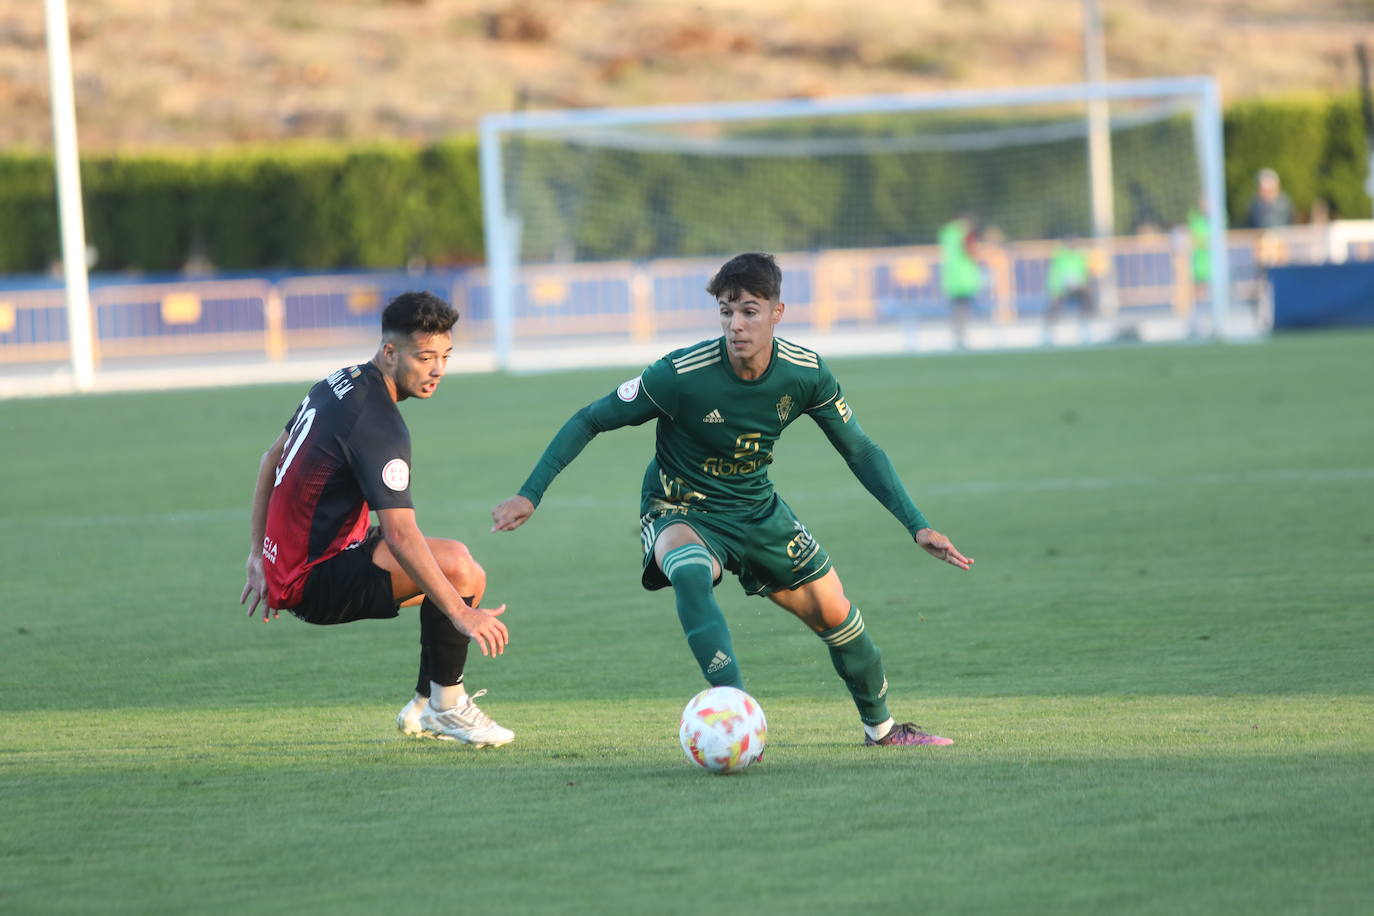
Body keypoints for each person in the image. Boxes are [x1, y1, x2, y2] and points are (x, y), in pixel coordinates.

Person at [492, 253, 973, 747]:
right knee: (690, 569)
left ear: (777, 313)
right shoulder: (679, 373)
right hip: (679, 505)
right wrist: (531, 493)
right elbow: (590, 418)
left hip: (756, 509)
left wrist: (917, 524)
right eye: (726, 311)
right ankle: (737, 716)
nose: (736, 325)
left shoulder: (805, 373)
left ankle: (883, 730)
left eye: (749, 311)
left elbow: (861, 450)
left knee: (839, 616)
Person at [240, 291, 514, 747]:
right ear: (390, 353)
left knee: (465, 572)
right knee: (458, 573)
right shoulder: (378, 423)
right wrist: (463, 615)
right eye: (425, 357)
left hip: (309, 557)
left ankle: (427, 704)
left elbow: (271, 457)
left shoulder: (339, 381)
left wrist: (257, 553)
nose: (438, 369)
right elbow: (401, 535)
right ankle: (449, 706)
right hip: (314, 577)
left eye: (446, 356)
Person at [938, 212, 982, 348]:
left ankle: (957, 334)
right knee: (963, 307)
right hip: (965, 277)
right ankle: (960, 335)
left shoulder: (946, 233)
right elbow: (970, 251)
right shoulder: (964, 234)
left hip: (951, 277)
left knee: (957, 307)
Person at [1044, 239, 1094, 339]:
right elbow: (1056, 274)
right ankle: (1048, 332)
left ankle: (1085, 326)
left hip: (1076, 286)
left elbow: (1084, 273)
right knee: (1055, 306)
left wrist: (1082, 284)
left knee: (1086, 298)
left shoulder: (1079, 257)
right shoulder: (1060, 256)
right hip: (1060, 288)